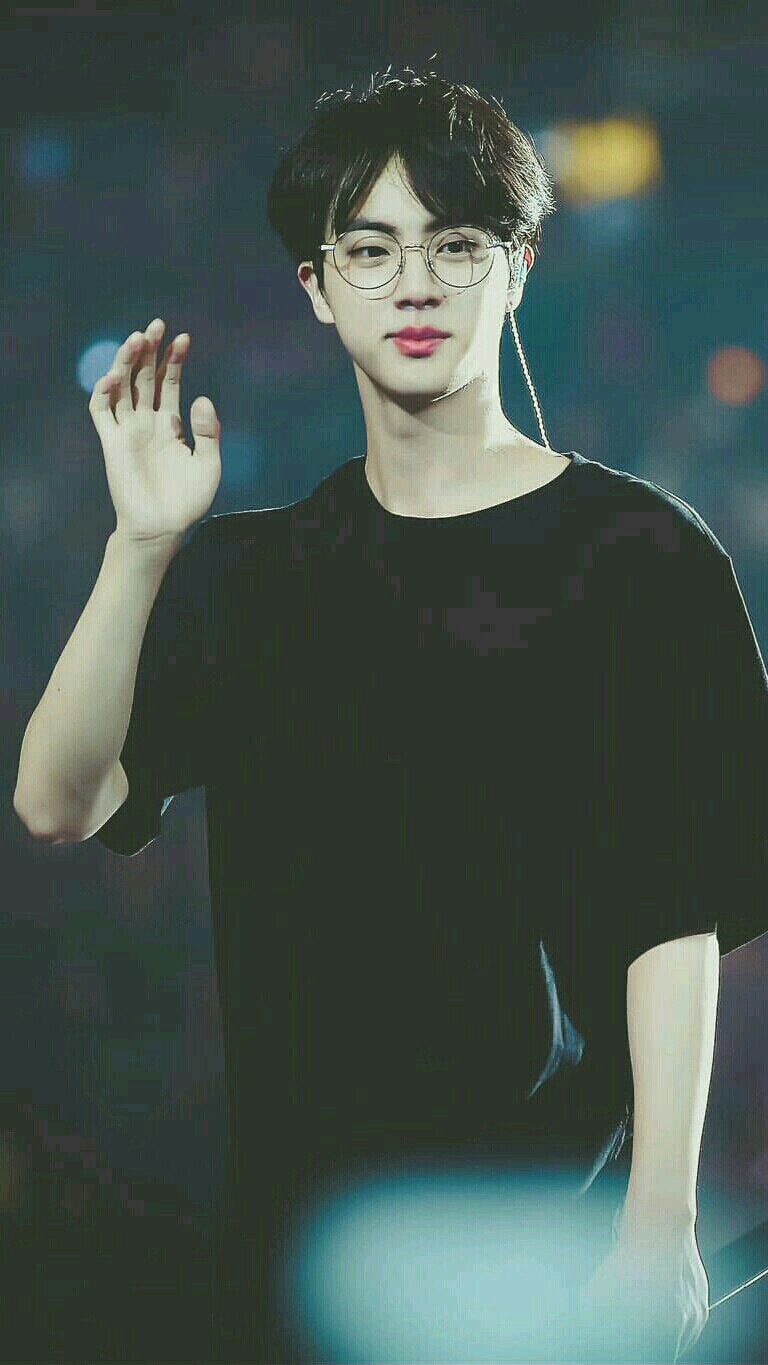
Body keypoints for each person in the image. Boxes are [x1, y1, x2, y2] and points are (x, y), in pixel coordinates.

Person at [13, 63, 768, 1363]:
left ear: (517, 267)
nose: (414, 283)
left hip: (556, 1237)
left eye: (455, 243)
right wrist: (139, 546)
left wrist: (661, 1220)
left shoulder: (644, 556)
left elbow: (676, 911)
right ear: (318, 285)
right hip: (300, 1246)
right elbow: (54, 800)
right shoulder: (249, 575)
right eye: (371, 249)